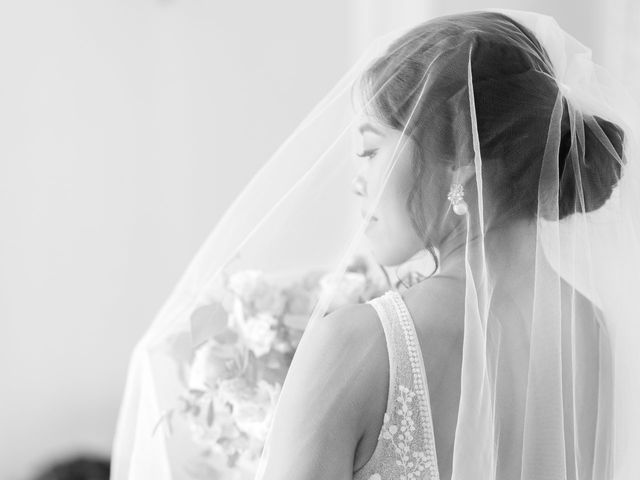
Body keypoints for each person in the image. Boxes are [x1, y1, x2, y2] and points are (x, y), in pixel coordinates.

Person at [111, 9, 640, 480]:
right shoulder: (587, 331)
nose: (356, 179)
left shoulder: (357, 343)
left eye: (369, 149)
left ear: (460, 158)